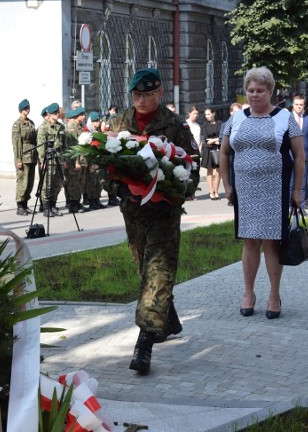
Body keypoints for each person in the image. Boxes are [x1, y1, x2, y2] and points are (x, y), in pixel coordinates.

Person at [106, 68, 200, 375]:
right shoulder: (119, 123)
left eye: (148, 95)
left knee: (157, 272)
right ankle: (168, 322)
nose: (142, 101)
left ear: (160, 93)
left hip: (163, 212)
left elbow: (191, 166)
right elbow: (105, 161)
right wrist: (116, 186)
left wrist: (176, 189)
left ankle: (144, 344)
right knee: (144, 270)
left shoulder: (174, 125)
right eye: (137, 95)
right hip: (132, 210)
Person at [218, 67, 306, 321]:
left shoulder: (284, 117)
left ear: (270, 91)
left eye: (260, 91)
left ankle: (274, 295)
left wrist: (297, 190)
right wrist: (227, 185)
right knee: (249, 240)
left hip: (275, 188)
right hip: (244, 189)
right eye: (250, 91)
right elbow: (224, 153)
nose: (254, 95)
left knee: (271, 241)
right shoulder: (236, 119)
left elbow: (299, 156)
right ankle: (248, 293)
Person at [36, 103, 66, 218]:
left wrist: (65, 158)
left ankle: (53, 205)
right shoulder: (43, 128)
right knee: (46, 185)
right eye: (55, 113)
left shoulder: (61, 127)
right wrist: (42, 161)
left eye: (58, 113)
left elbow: (65, 145)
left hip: (59, 159)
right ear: (49, 114)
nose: (57, 115)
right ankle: (46, 207)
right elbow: (40, 146)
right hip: (48, 160)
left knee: (57, 185)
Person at [289, 95, 308, 212]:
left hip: (304, 156)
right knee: (291, 181)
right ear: (293, 105)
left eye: (301, 105)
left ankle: (301, 207)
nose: (299, 107)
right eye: (297, 104)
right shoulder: (287, 119)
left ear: (304, 106)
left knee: (303, 182)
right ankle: (290, 206)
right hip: (290, 155)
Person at [11, 99, 37, 215]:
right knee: (23, 181)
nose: (27, 110)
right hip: (23, 156)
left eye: (28, 108)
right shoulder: (17, 124)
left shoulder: (31, 123)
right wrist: (18, 159)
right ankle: (20, 206)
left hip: (32, 155)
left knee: (30, 182)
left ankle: (25, 204)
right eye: (25, 108)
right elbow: (16, 144)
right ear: (21, 110)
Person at [63, 106, 89, 213]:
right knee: (73, 182)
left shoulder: (80, 127)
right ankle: (72, 205)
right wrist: (76, 161)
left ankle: (77, 202)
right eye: (81, 115)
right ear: (76, 116)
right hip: (74, 160)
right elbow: (73, 147)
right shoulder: (71, 128)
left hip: (82, 159)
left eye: (83, 115)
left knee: (80, 182)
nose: (83, 117)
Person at [82, 112, 106, 210]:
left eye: (98, 120)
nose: (97, 123)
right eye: (95, 121)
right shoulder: (86, 131)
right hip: (91, 160)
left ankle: (97, 199)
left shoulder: (98, 131)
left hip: (98, 160)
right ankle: (92, 201)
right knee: (91, 181)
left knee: (99, 181)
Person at [200, 107, 223, 200]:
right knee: (209, 171)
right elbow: (206, 139)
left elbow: (222, 136)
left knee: (218, 171)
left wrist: (214, 140)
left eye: (209, 114)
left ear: (213, 114)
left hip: (218, 149)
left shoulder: (220, 123)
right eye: (206, 114)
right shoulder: (204, 124)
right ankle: (211, 192)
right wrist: (217, 140)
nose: (207, 116)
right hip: (208, 150)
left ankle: (216, 191)